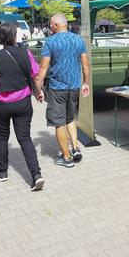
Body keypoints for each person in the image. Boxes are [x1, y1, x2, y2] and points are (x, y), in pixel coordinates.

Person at [0, 23, 45, 191]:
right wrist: (38, 92)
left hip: (2, 103)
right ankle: (36, 174)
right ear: (14, 36)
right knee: (24, 138)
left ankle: (2, 172)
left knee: (2, 136)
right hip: (23, 101)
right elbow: (35, 76)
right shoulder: (26, 52)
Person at [35, 14, 90, 168]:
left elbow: (44, 67)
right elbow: (85, 64)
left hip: (57, 87)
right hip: (74, 86)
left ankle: (66, 158)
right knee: (70, 118)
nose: (49, 27)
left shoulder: (50, 42)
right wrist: (85, 82)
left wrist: (38, 88)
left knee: (59, 122)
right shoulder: (78, 40)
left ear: (55, 25)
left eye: (50, 24)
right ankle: (76, 148)